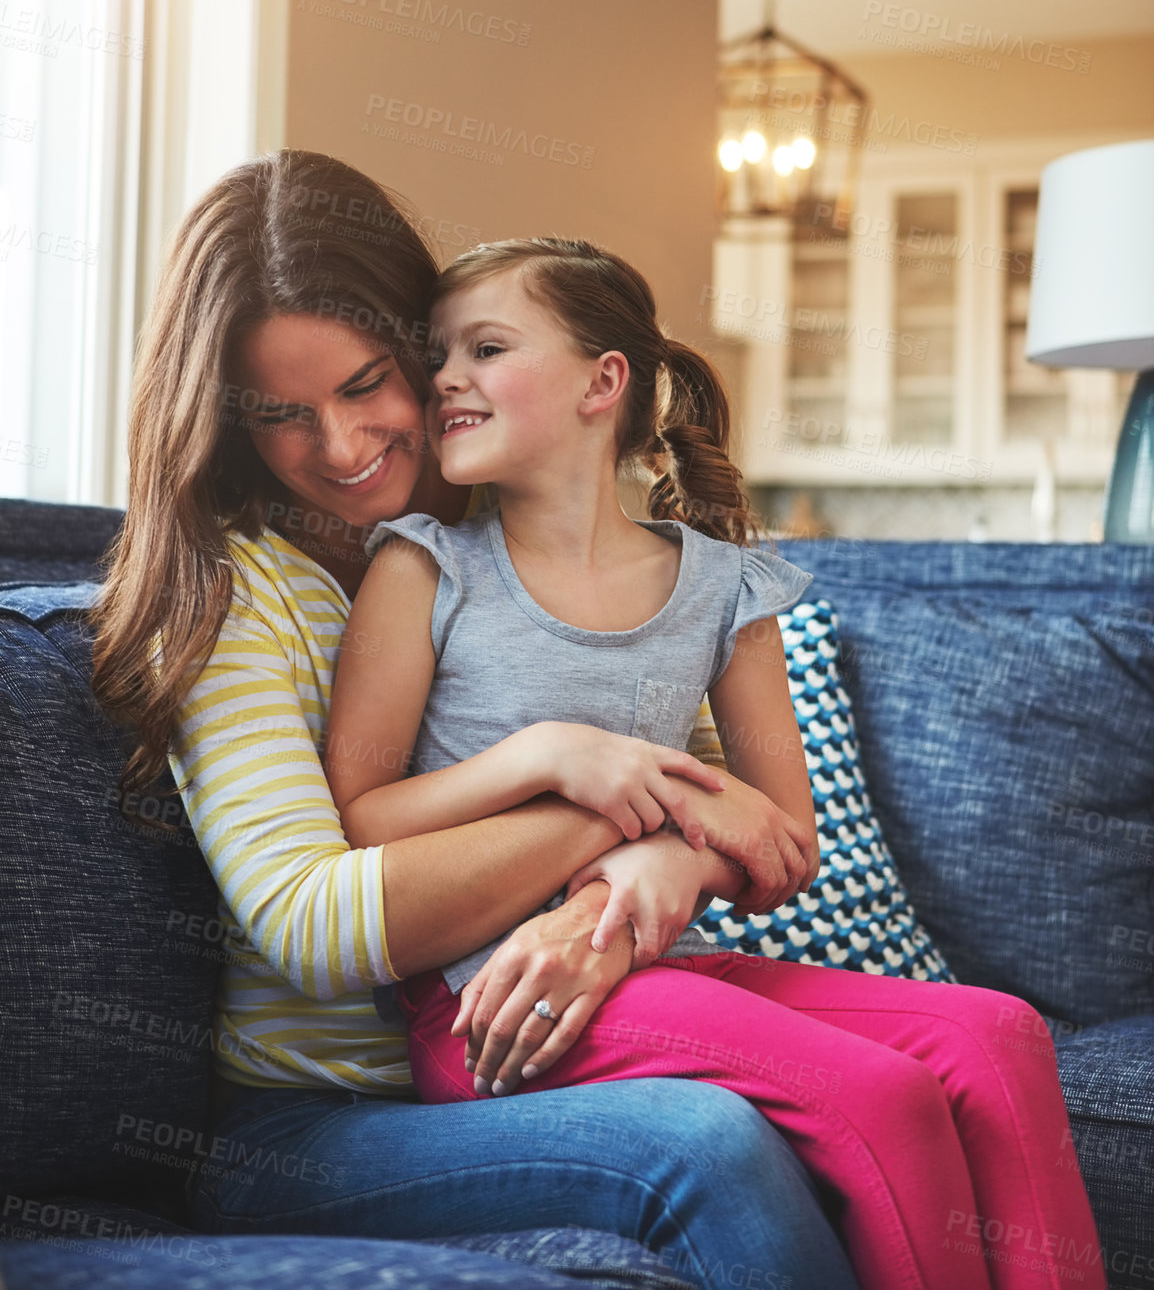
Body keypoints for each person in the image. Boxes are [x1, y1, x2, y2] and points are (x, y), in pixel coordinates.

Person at [90, 149, 860, 1290]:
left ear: (428, 352)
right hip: (314, 1123)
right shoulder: (230, 598)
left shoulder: (493, 555)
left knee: (891, 1078)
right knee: (703, 1149)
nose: (342, 450)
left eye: (364, 386)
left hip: (543, 1055)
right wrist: (588, 801)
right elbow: (310, 922)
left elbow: (716, 801)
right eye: (279, 416)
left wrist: (648, 855)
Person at [325, 235, 1107, 1290]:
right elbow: (362, 814)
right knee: (876, 1093)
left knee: (998, 1035)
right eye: (439, 353)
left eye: (486, 346)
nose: (445, 377)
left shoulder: (726, 589)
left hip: (665, 970)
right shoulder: (424, 567)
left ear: (603, 383)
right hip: (492, 1005)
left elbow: (781, 840)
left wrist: (673, 858)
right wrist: (548, 755)